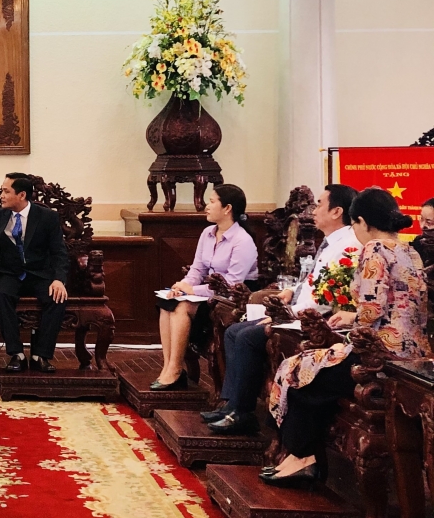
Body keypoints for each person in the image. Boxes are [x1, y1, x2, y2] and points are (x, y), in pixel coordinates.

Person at [262, 187, 431, 487]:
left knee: (298, 370)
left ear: (362, 221)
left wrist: (350, 328)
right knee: (313, 368)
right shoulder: (409, 251)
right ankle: (300, 456)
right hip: (413, 355)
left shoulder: (374, 250)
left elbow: (371, 311)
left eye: (355, 225)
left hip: (378, 355)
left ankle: (303, 458)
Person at [205, 184, 359, 434]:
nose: (314, 210)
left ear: (336, 211)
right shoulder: (331, 242)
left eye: (320, 204)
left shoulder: (348, 246)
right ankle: (231, 405)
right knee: (234, 331)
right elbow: (314, 280)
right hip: (297, 311)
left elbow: (325, 297)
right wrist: (293, 290)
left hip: (315, 321)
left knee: (247, 336)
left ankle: (243, 413)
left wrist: (288, 315)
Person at [154, 184, 259, 391]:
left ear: (227, 208)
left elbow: (233, 284)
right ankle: (167, 367)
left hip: (235, 297)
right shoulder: (207, 233)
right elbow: (198, 268)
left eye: (212, 202)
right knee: (168, 302)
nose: (207, 207)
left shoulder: (242, 241)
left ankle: (175, 370)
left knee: (182, 306)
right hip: (210, 291)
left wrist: (194, 291)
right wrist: (183, 286)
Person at [0, 173, 69, 373]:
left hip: (40, 274)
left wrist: (59, 280)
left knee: (56, 298)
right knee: (2, 294)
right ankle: (16, 354)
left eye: (6, 191)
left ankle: (40, 355)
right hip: (11, 273)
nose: (1, 195)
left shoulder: (47, 217)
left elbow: (59, 253)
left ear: (22, 195)